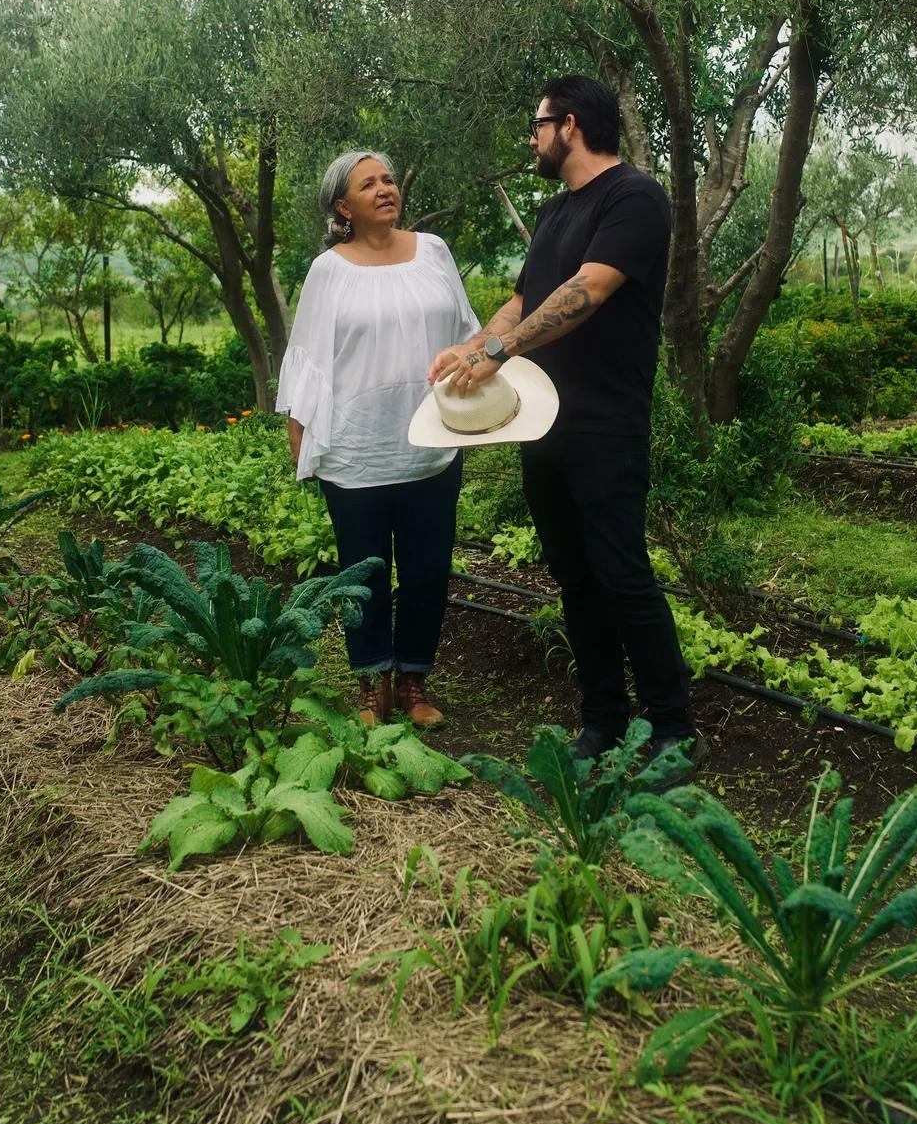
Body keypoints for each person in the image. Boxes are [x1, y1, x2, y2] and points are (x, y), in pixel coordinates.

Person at [429, 75, 700, 763]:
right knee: (574, 579)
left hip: (606, 425)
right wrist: (472, 347)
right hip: (540, 425)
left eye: (538, 126)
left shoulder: (633, 197)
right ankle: (602, 720)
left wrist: (499, 352)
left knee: (621, 575)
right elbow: (524, 302)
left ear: (570, 125)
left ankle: (673, 729)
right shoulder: (554, 213)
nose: (532, 140)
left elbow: (589, 289)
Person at [277, 149, 479, 727]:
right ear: (344, 207)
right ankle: (372, 685)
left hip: (431, 443)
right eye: (369, 184)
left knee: (427, 570)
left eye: (388, 180)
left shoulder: (433, 252)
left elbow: (468, 333)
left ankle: (414, 683)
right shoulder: (328, 271)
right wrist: (299, 436)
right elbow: (307, 356)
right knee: (363, 573)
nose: (385, 189)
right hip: (355, 448)